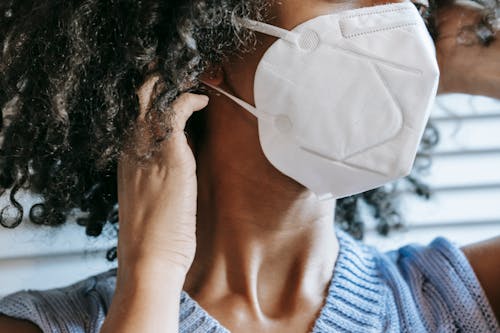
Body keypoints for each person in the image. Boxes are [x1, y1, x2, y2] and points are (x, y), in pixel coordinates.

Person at [0, 0, 499, 332]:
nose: (392, 21)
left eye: (408, 5)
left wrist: (471, 43)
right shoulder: (39, 326)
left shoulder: (453, 301)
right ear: (205, 43)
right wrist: (151, 275)